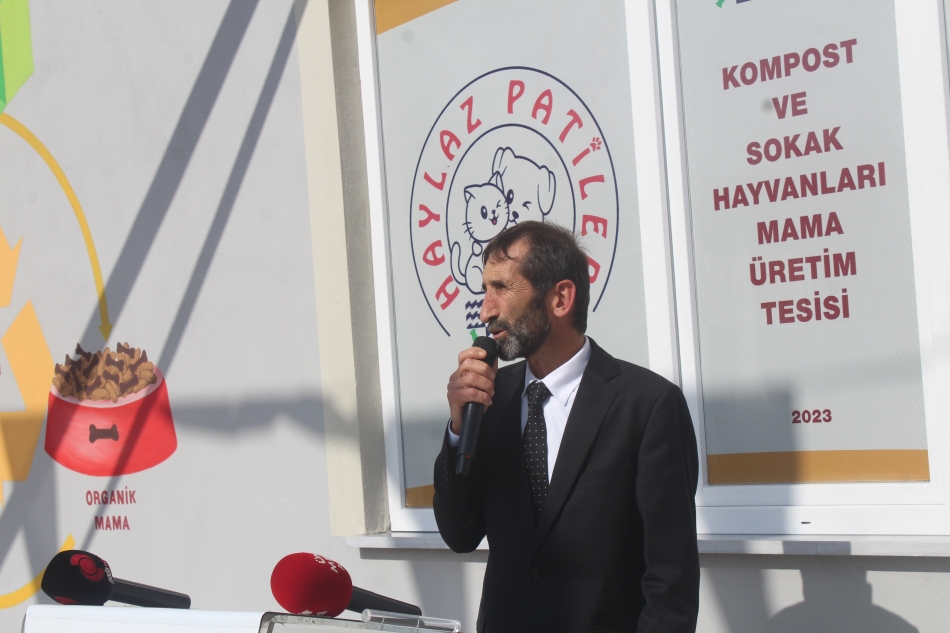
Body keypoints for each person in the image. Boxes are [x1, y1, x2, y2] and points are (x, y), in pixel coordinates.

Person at [433, 221, 700, 633]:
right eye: (485, 290)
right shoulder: (490, 400)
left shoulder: (647, 405)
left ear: (560, 298)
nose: (486, 311)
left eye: (501, 288)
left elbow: (671, 579)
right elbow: (459, 534)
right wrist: (458, 425)